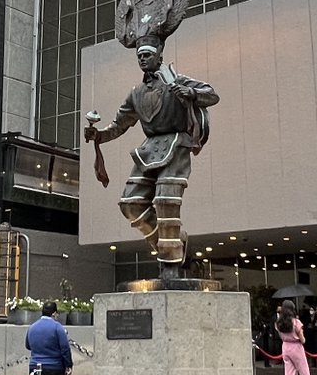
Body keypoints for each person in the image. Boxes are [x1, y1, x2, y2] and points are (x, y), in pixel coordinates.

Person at [83, 26, 218, 278]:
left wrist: (190, 93)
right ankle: (174, 242)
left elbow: (212, 95)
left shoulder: (177, 81)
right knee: (130, 204)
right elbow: (119, 126)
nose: (143, 58)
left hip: (176, 145)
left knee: (166, 201)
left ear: (159, 55)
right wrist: (98, 134)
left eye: (147, 54)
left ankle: (170, 264)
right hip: (149, 150)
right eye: (139, 55)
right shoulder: (136, 93)